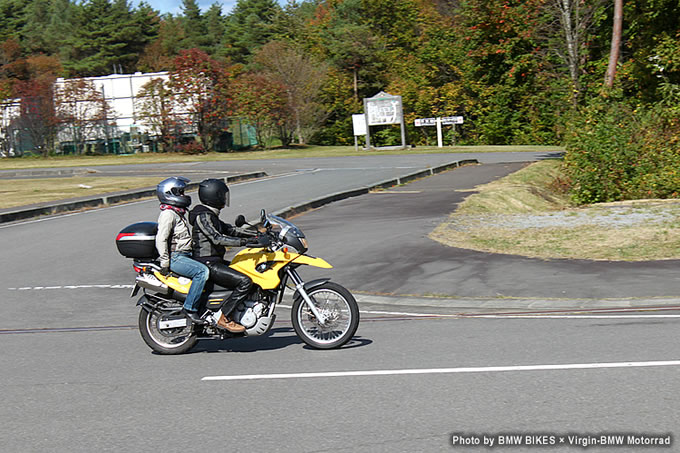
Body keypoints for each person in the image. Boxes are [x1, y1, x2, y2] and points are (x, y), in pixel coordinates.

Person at [189, 178, 269, 333]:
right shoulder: (203, 216)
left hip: (214, 261)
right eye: (222, 195)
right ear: (214, 195)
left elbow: (230, 230)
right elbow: (217, 238)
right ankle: (224, 317)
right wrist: (246, 242)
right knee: (245, 281)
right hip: (207, 262)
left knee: (247, 274)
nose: (225, 199)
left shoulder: (211, 215)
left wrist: (257, 233)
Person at [155, 176, 210, 325]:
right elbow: (161, 239)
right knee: (201, 272)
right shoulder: (168, 214)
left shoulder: (177, 212)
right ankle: (190, 309)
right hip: (176, 257)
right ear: (169, 194)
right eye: (180, 192)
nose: (184, 196)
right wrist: (165, 262)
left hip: (185, 254)